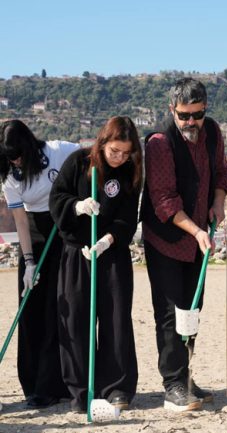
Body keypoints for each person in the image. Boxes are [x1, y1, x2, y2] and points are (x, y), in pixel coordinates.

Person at [141, 78, 227, 412]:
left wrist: (219, 202)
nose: (191, 122)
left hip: (197, 240)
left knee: (192, 310)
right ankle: (173, 385)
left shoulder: (214, 132)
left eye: (197, 114)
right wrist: (195, 231)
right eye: (184, 116)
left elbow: (221, 172)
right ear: (172, 110)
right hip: (166, 240)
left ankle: (187, 375)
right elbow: (164, 200)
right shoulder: (160, 143)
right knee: (169, 313)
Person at [49, 117, 142, 412]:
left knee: (116, 320)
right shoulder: (78, 162)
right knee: (76, 322)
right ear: (102, 143)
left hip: (111, 253)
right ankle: (81, 390)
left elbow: (127, 216)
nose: (120, 158)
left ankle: (117, 388)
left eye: (126, 153)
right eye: (115, 151)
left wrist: (108, 239)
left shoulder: (130, 172)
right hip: (78, 253)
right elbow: (57, 198)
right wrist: (76, 206)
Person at [0, 120, 77, 408]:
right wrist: (29, 262)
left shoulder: (58, 151)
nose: (16, 161)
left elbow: (89, 158)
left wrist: (75, 200)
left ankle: (55, 385)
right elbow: (20, 221)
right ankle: (32, 384)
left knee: (57, 309)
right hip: (33, 236)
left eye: (19, 155)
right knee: (31, 311)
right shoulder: (10, 174)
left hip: (63, 229)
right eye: (10, 157)